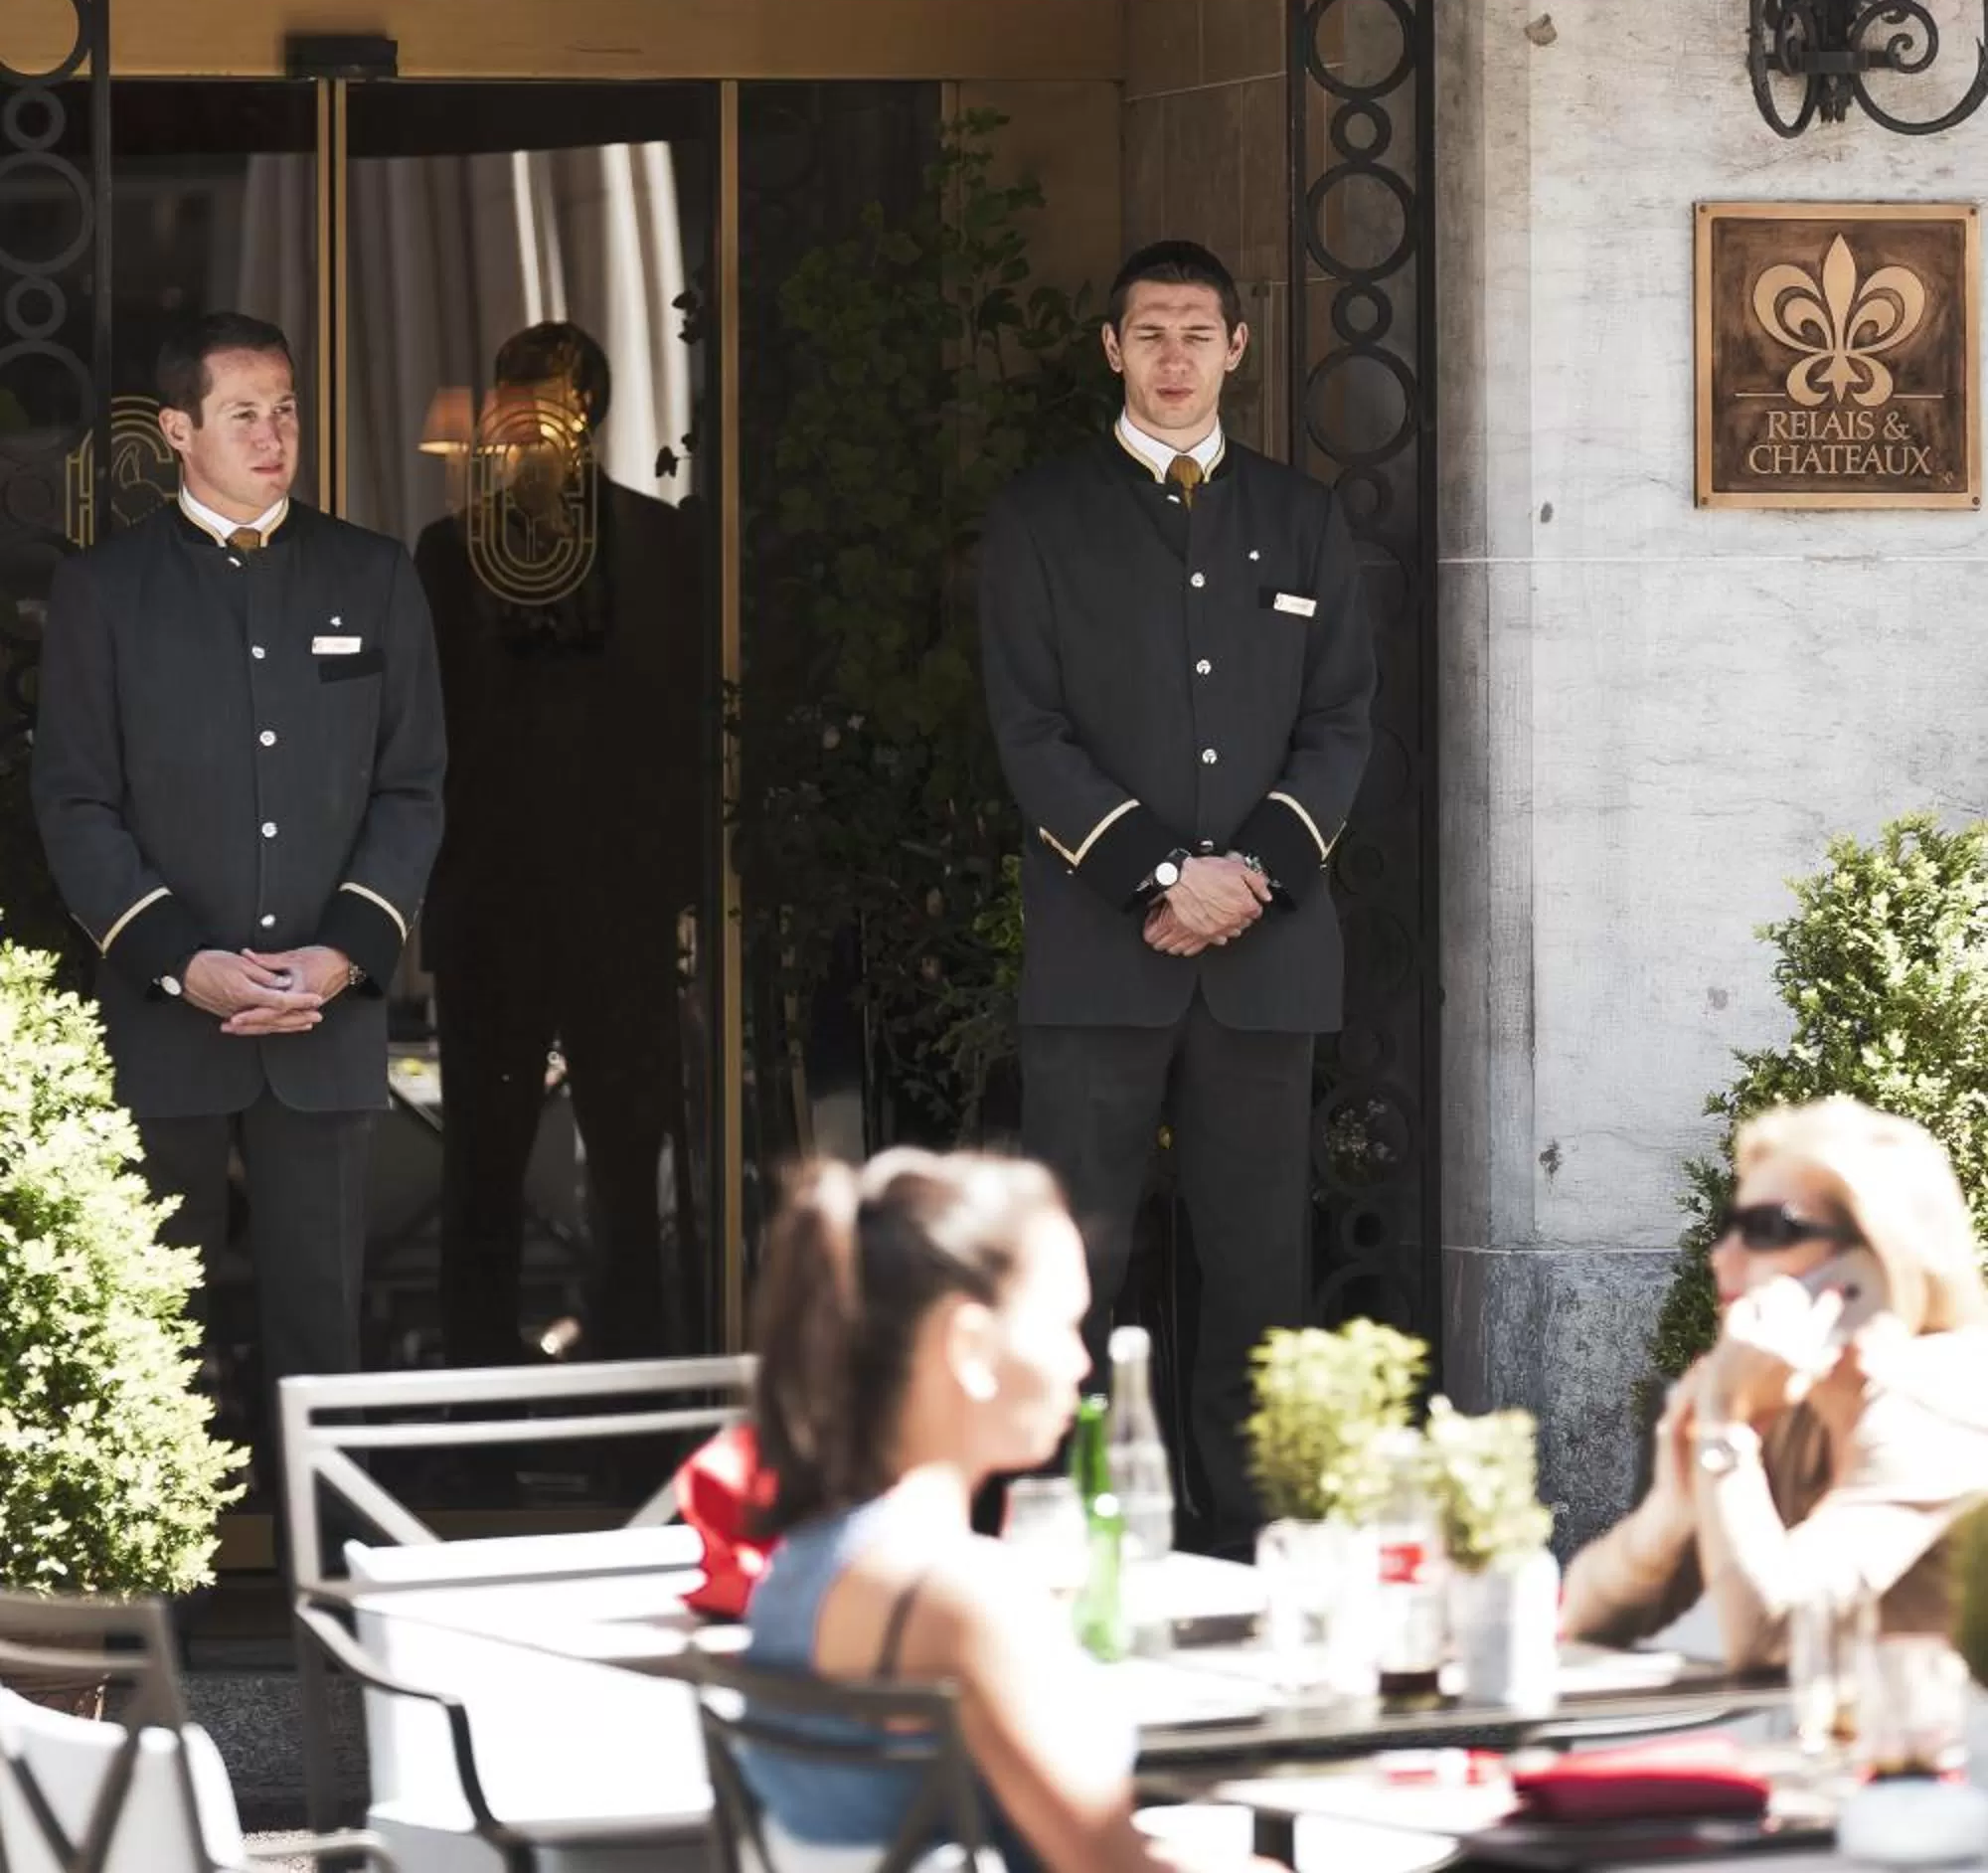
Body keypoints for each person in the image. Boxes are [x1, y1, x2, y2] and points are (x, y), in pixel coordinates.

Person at [978, 240, 1374, 1549]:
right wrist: (1161, 871)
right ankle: (1073, 1524)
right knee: (1073, 1266)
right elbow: (1028, 732)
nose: (1173, 356)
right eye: (1149, 331)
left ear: (1238, 350)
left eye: (1198, 332)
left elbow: (1342, 726)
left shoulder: (1303, 518)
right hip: (1103, 955)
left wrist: (1245, 876)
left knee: (1260, 1267)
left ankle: (1258, 1539)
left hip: (1263, 964)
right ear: (1110, 348)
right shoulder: (1041, 516)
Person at [32, 310, 446, 1429]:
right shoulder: (104, 591)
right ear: (177, 429)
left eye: (288, 410)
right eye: (244, 413)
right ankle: (168, 1598)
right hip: (166, 1027)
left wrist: (345, 956)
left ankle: (326, 1583)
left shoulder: (373, 575)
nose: (275, 435)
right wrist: (180, 961)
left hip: (329, 1024)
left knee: (326, 1338)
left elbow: (411, 788)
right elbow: (74, 801)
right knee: (157, 1332)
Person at [744, 1145, 1242, 1873]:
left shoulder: (801, 1567)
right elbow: (1109, 1865)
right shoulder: (961, 1599)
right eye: (1064, 1325)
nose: (1081, 1361)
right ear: (970, 1346)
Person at [415, 320, 707, 1360]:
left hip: (617, 912)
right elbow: (432, 737)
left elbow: (682, 736)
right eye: (511, 408)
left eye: (542, 408)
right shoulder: (452, 555)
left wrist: (678, 890)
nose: (524, 431)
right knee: (481, 1177)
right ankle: (471, 1422)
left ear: (587, 416)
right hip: (494, 909)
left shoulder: (666, 547)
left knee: (632, 1175)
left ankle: (634, 1417)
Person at [1562, 1098, 1988, 1667]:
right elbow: (1587, 1616)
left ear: (1876, 1261)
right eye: (1727, 1227)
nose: (1722, 1258)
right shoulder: (1788, 1387)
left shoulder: (1947, 1404)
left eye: (1767, 1229)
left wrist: (1724, 1429)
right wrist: (1669, 1515)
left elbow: (1775, 1638)